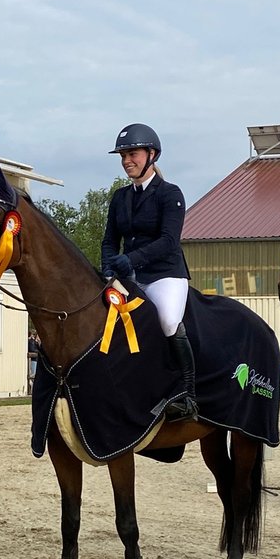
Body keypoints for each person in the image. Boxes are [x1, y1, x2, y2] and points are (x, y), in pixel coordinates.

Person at [100, 122, 197, 420]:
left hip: (165, 274)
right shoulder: (120, 197)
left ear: (151, 154)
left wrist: (131, 261)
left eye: (133, 154)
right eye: (123, 155)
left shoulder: (170, 194)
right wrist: (107, 270)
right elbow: (108, 240)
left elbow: (169, 242)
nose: (127, 160)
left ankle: (188, 393)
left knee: (167, 321)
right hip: (129, 277)